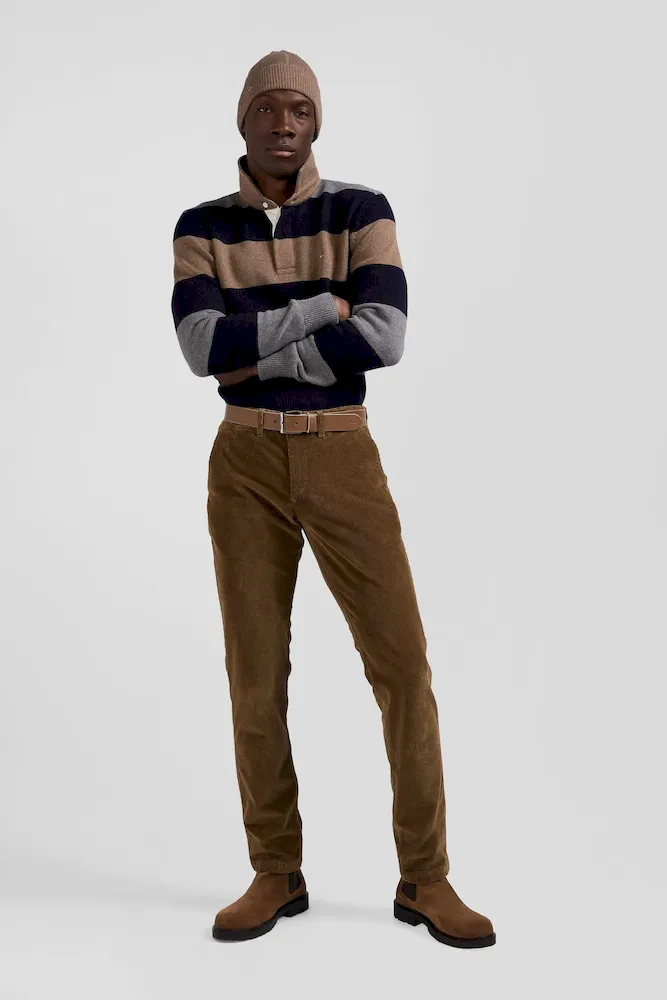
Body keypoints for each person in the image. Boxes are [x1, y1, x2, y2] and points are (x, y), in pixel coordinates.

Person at [171, 49, 495, 948]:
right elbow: (201, 349)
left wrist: (256, 350)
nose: (285, 124)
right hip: (242, 462)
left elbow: (383, 338)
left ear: (317, 122)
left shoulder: (361, 210)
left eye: (301, 110)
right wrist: (323, 307)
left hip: (341, 452)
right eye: (269, 108)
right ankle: (274, 870)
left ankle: (425, 877)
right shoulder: (200, 226)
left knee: (402, 668)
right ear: (243, 118)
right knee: (254, 675)